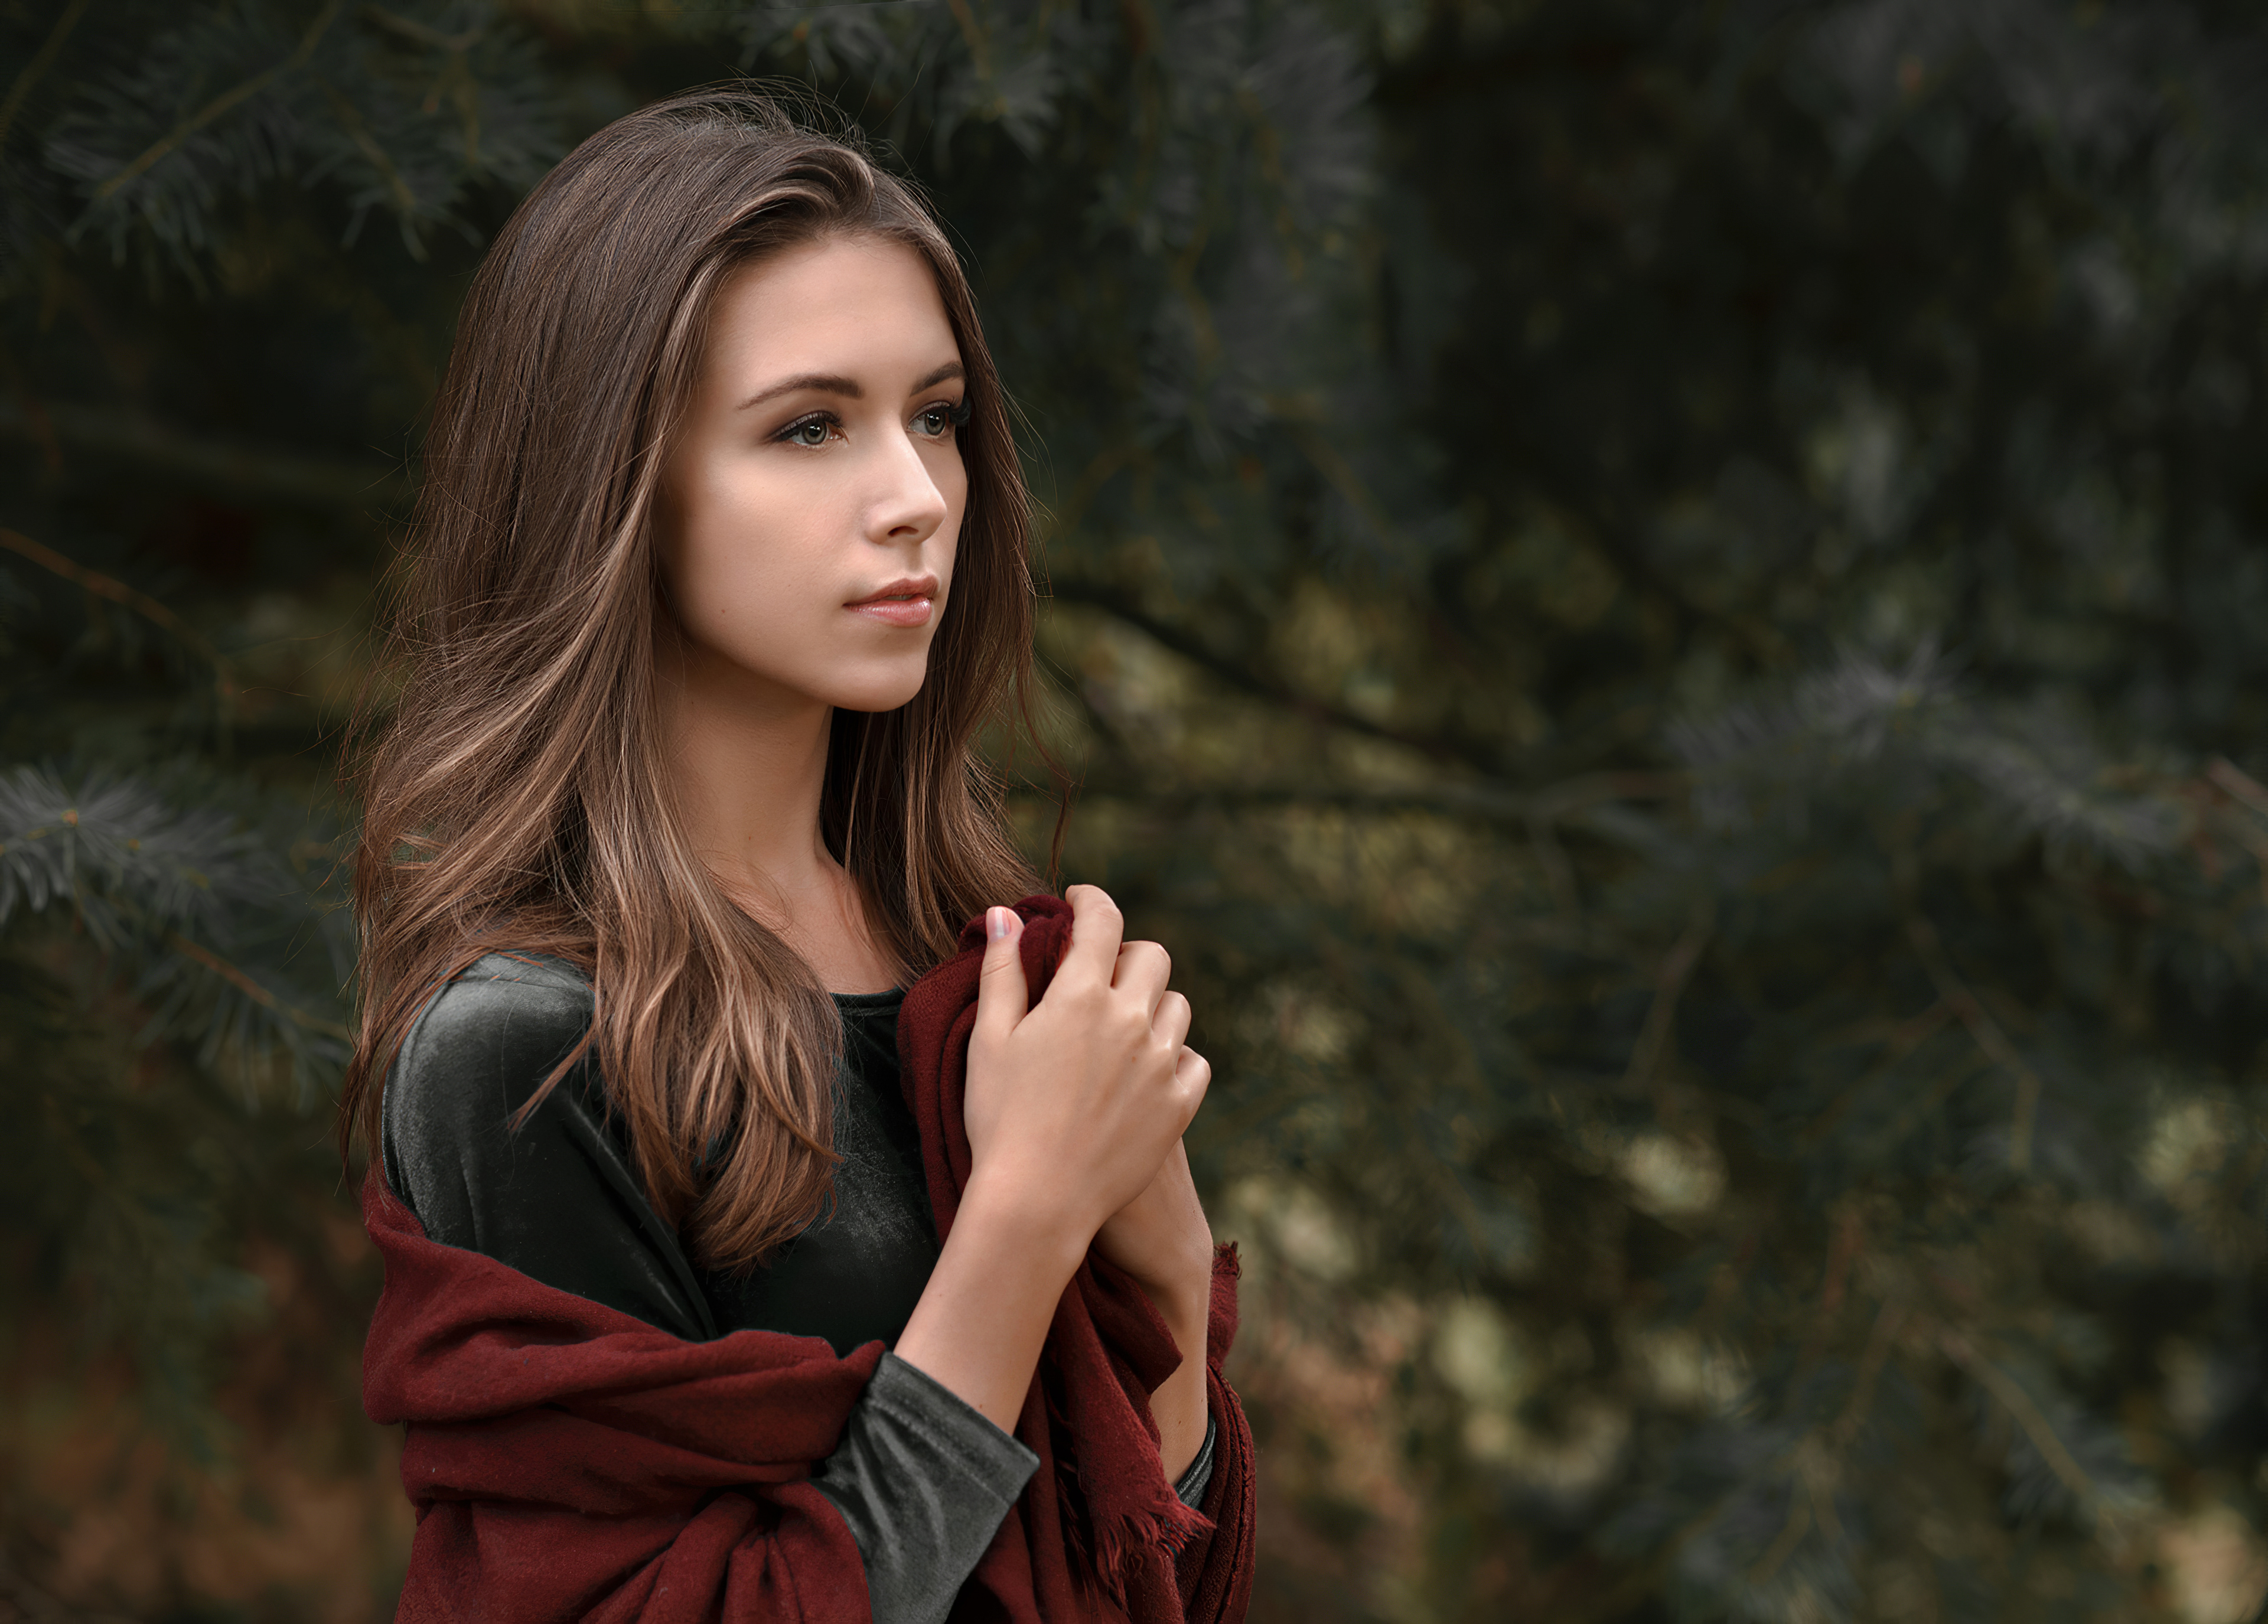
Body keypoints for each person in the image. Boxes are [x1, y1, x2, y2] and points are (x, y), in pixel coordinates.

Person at [338, 89, 1246, 1623]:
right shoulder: (530, 1049)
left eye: (938, 416)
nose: (914, 501)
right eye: (809, 427)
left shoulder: (976, 974)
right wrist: (1025, 1220)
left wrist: (1160, 1259)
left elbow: (1147, 1572)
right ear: (614, 481)